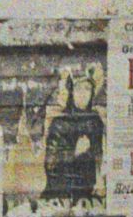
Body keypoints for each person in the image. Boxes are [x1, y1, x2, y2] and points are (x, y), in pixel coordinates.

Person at [42, 70, 104, 201]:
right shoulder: (60, 123)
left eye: (87, 89)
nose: (83, 94)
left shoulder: (95, 122)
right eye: (78, 88)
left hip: (87, 195)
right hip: (61, 195)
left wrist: (100, 178)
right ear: (71, 92)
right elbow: (50, 166)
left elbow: (99, 156)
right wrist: (74, 152)